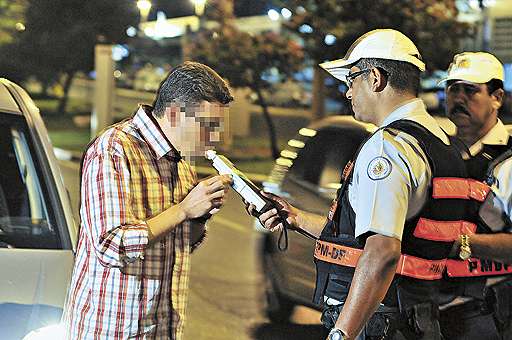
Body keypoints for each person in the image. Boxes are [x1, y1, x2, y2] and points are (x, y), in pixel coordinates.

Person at [250, 29, 476, 340]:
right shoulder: (439, 143)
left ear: (375, 78)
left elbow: (381, 251)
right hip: (416, 318)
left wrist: (342, 333)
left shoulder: (387, 147)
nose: (347, 92)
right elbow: (373, 240)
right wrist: (296, 218)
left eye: (351, 79)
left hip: (379, 325)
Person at [63, 61, 233, 340]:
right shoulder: (114, 149)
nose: (214, 138)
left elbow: (180, 245)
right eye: (208, 126)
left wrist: (200, 214)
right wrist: (183, 210)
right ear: (176, 114)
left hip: (162, 328)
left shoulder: (182, 161)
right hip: (111, 330)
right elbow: (110, 246)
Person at [438, 52, 512, 339]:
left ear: (496, 97)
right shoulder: (436, 149)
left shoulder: (507, 160)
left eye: (470, 90)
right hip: (433, 306)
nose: (458, 97)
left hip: (490, 311)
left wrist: (462, 244)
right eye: (452, 88)